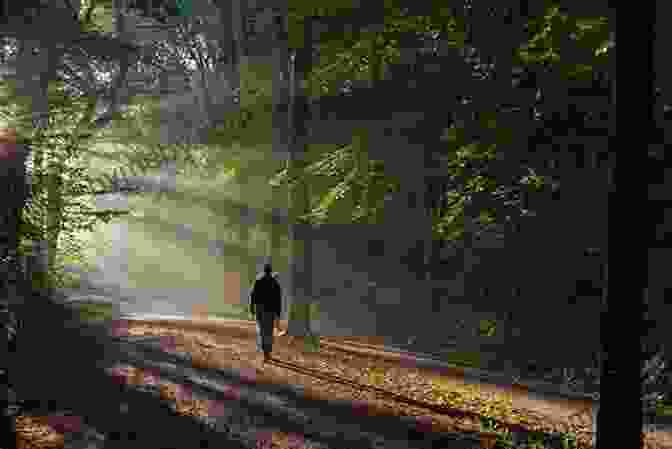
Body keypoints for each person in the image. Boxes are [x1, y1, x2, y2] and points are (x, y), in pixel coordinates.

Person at [249, 263, 282, 362]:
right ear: (271, 271)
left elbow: (253, 295)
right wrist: (278, 313)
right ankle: (268, 351)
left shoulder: (258, 281)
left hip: (260, 309)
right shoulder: (275, 283)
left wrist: (252, 308)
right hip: (271, 311)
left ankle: (265, 352)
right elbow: (278, 299)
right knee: (269, 331)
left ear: (264, 271)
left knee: (262, 331)